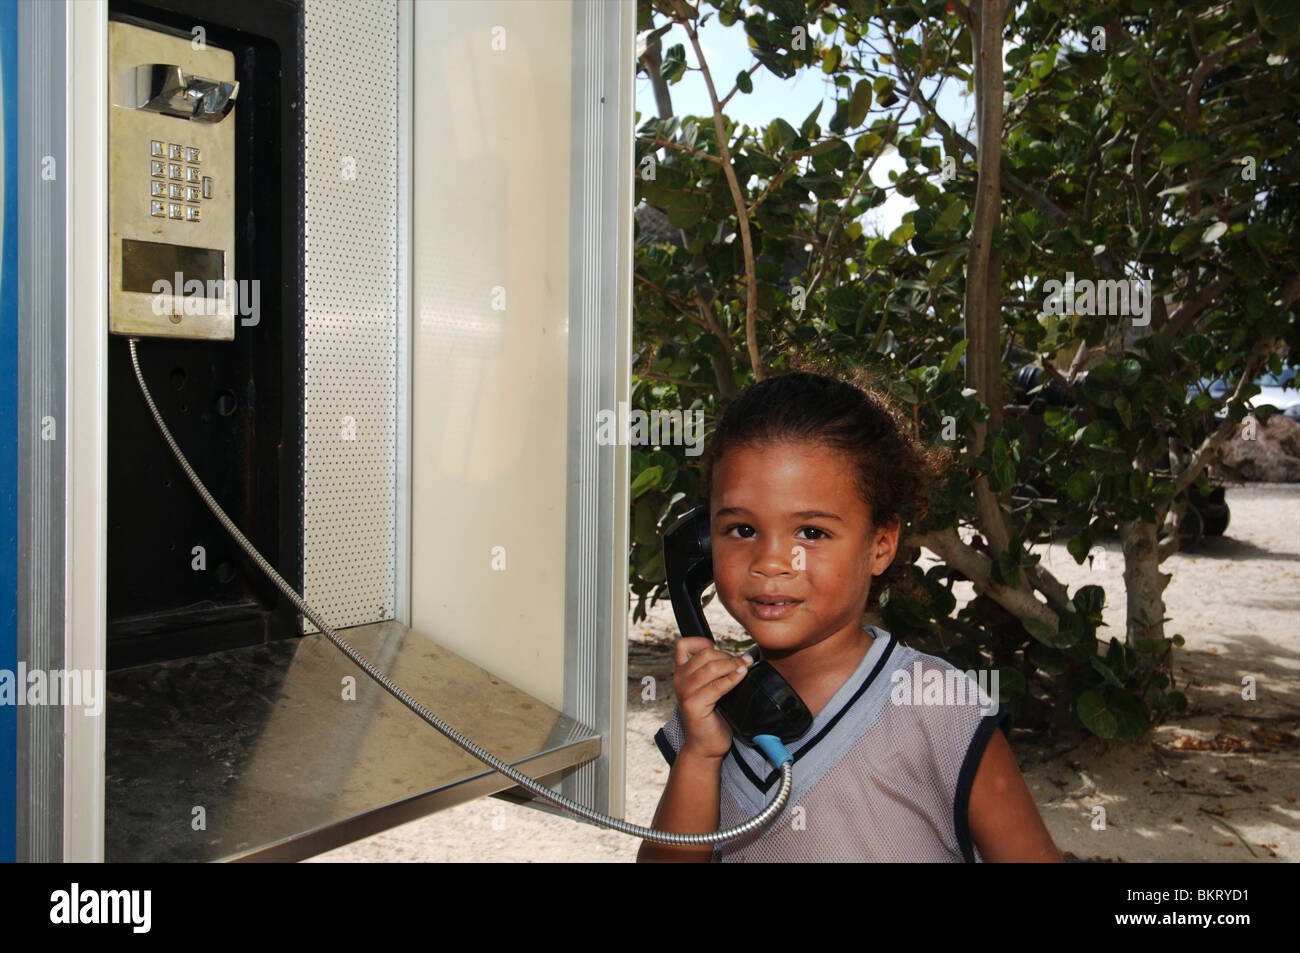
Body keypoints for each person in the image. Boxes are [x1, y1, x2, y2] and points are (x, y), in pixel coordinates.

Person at [636, 371, 1061, 862]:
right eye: (742, 528)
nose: (772, 561)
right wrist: (699, 756)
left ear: (881, 545)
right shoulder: (712, 710)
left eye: (811, 533)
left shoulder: (938, 710)